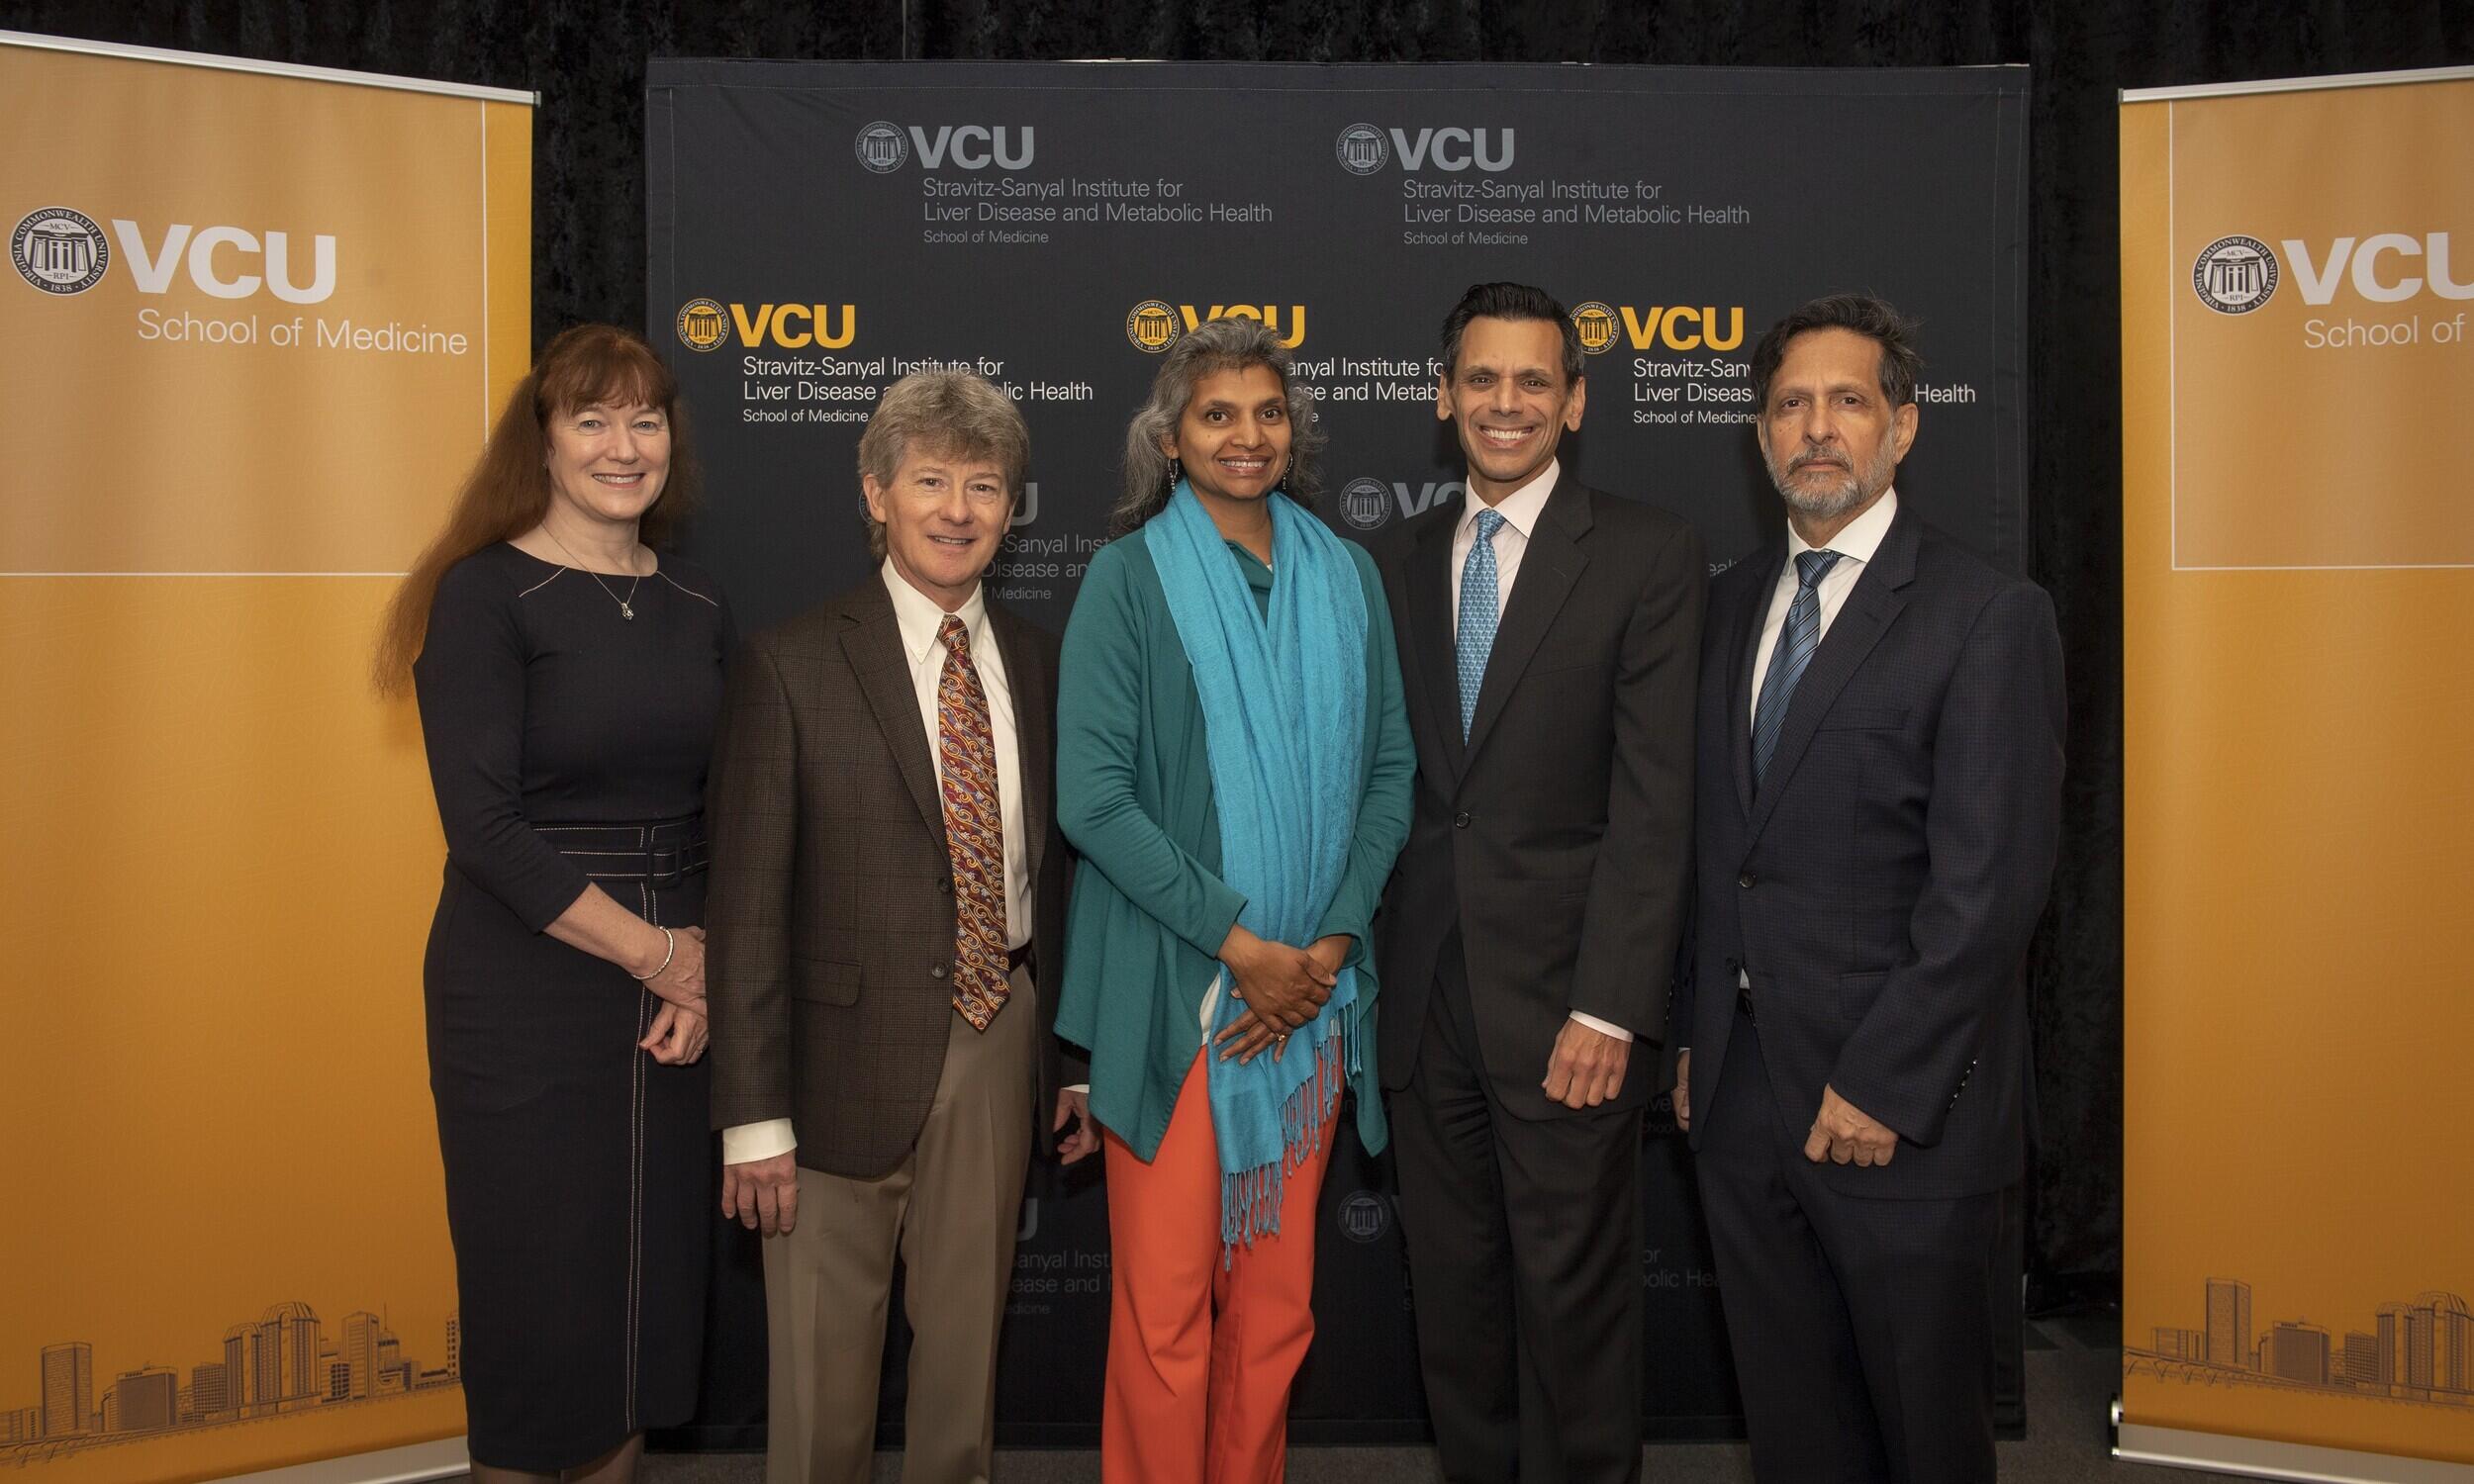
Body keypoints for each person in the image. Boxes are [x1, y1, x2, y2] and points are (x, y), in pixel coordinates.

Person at [1669, 293, 2064, 1483]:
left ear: (1903, 426)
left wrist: (1880, 1086)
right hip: (1741, 1101)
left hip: (1900, 1114)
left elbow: (1988, 889)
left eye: (1848, 401)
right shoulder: (1726, 602)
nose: (1817, 429)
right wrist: (1694, 1031)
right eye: (1790, 405)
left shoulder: (1986, 614)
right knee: (1795, 1431)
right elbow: (1716, 845)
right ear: (1759, 436)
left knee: (1922, 1434)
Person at [703, 370, 1092, 1484]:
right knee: (821, 1398)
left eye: (985, 485)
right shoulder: (790, 664)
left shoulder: (1039, 659)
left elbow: (1059, 880)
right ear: (876, 494)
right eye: (930, 480)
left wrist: (1067, 1059)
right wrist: (750, 1123)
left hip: (997, 1032)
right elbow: (744, 911)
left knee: (963, 1379)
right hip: (830, 1069)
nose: (958, 509)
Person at [1056, 315, 1413, 1483]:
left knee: (1274, 1313)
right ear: (1171, 439)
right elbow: (1094, 803)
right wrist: (1239, 943)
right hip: (1179, 997)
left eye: (1268, 412)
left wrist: (1326, 941)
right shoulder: (1127, 579)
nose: (1246, 436)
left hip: (1308, 1003)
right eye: (1217, 414)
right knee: (1165, 1321)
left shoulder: (1343, 573)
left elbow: (1389, 773)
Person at [376, 324, 730, 1483]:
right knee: (541, 1324)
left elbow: (727, 807)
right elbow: (482, 832)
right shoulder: (486, 595)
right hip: (524, 991)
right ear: (543, 443)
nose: (624, 447)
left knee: (638, 1316)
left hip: (673, 990)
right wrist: (658, 955)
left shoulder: (695, 601)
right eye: (592, 420)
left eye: (644, 419)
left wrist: (704, 960)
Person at [1374, 281, 1705, 1484]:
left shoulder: (1646, 552)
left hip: (1571, 1009)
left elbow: (1655, 801)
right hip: (1420, 1007)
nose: (1502, 404)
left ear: (1572, 401)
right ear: (1441, 394)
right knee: (1452, 1315)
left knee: (1574, 1318)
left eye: (1530, 382)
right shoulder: (1397, 559)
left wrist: (1611, 1005)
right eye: (1479, 380)